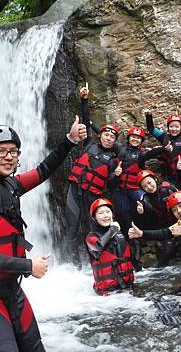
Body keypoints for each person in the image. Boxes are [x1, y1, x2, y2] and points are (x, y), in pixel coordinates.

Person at [0, 120, 86, 352]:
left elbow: (42, 171)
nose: (9, 157)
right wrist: (28, 266)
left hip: (12, 290)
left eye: (13, 151)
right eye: (0, 152)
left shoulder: (11, 185)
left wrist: (70, 140)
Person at [64, 85, 122, 265]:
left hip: (92, 195)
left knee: (92, 227)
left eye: (112, 137)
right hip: (75, 190)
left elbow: (111, 187)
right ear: (100, 136)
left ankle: (98, 259)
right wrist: (84, 99)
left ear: (114, 141)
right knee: (72, 225)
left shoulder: (113, 160)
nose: (108, 138)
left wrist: (117, 176)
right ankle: (74, 263)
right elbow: (86, 119)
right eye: (106, 134)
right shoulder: (89, 144)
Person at [113, 126, 169, 270]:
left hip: (134, 188)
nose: (135, 139)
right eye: (133, 137)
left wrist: (164, 148)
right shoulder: (120, 149)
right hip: (120, 189)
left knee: (146, 205)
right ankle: (134, 248)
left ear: (141, 140)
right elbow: (107, 138)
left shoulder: (142, 154)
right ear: (128, 138)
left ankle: (155, 233)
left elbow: (151, 153)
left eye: (138, 138)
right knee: (124, 215)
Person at [86, 198, 135, 295]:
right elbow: (98, 247)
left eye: (108, 212)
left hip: (128, 288)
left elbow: (128, 255)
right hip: (107, 294)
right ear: (94, 217)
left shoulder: (119, 234)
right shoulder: (91, 237)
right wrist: (112, 230)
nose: (105, 215)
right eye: (101, 213)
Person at [144, 110, 181, 184]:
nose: (174, 129)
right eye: (171, 126)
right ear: (168, 128)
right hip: (169, 175)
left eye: (177, 127)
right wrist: (148, 116)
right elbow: (151, 129)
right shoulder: (164, 137)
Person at [135, 169, 179, 266]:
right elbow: (147, 222)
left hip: (179, 224)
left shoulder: (169, 188)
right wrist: (142, 213)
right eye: (145, 186)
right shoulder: (144, 199)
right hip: (164, 229)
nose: (149, 187)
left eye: (150, 183)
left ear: (155, 179)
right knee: (167, 253)